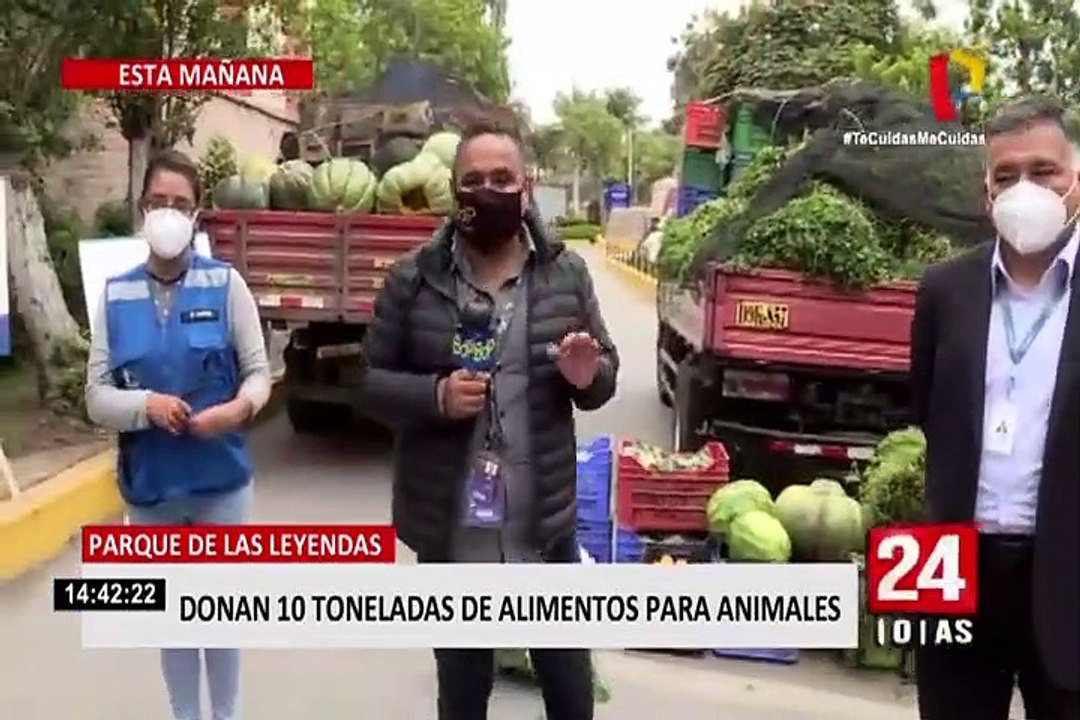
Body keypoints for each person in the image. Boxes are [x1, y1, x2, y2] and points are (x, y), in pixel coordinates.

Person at [358, 118, 619, 720]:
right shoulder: (414, 279)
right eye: (474, 180)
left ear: (526, 189)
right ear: (455, 195)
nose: (489, 191)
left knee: (571, 696)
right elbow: (370, 384)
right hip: (454, 536)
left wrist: (588, 377)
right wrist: (435, 398)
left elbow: (603, 375)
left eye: (503, 178)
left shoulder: (565, 274)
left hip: (543, 530)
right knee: (464, 695)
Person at [85, 149, 272, 720]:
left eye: (180, 204)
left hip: (221, 485)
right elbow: (95, 397)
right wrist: (145, 405)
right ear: (142, 209)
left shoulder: (226, 285)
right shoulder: (115, 295)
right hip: (153, 490)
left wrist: (238, 410)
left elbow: (260, 372)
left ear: (197, 215)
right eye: (158, 202)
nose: (168, 213)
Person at [910, 95, 1080, 719]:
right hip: (958, 569)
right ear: (987, 194)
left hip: (1067, 574)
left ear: (1076, 182)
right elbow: (927, 410)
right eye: (1006, 176)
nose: (1025, 189)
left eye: (1044, 172)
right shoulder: (944, 291)